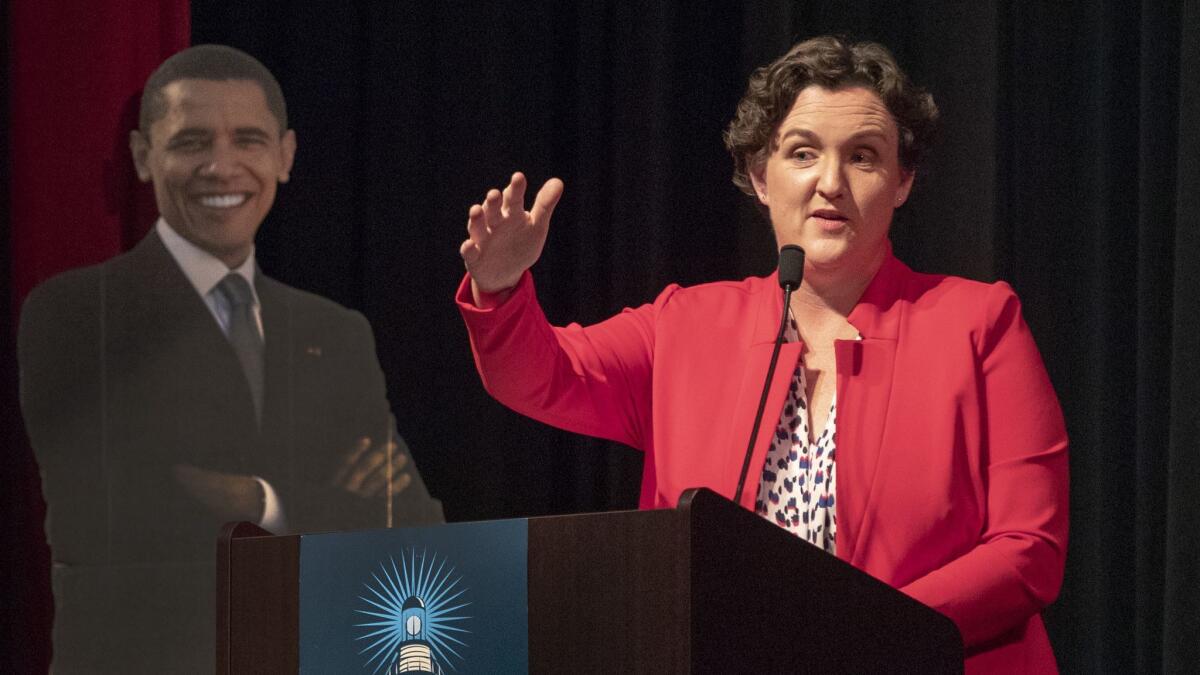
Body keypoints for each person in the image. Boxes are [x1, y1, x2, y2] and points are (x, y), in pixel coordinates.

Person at [455, 36, 1067, 673]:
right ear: (759, 176)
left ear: (903, 180)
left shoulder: (981, 323)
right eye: (803, 153)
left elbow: (1030, 548)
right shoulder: (685, 325)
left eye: (863, 157)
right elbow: (540, 376)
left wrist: (875, 632)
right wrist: (498, 288)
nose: (831, 182)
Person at [18, 45, 443, 673]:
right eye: (191, 141)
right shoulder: (77, 312)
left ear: (285, 155)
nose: (222, 166)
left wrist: (250, 495)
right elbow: (118, 510)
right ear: (143, 156)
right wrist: (317, 503)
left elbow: (408, 521)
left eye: (248, 139)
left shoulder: (336, 330)